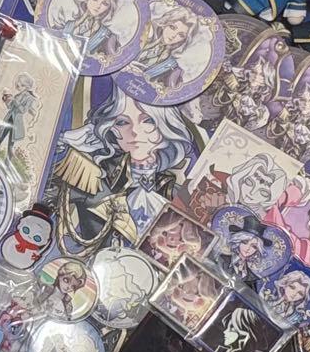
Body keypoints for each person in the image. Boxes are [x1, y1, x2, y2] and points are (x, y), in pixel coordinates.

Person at [51, 87, 199, 249]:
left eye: (148, 120)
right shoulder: (92, 178)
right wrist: (62, 143)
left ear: (165, 125)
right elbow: (41, 196)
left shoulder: (174, 192)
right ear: (111, 129)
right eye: (122, 122)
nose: (135, 131)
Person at [0, 72, 38, 162]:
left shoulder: (29, 98)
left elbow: (23, 110)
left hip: (16, 123)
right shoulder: (17, 95)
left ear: (26, 86)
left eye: (21, 85)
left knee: (10, 145)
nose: (19, 87)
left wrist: (15, 101)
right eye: (18, 85)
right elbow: (10, 107)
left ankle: (7, 164)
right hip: (8, 119)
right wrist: (6, 99)